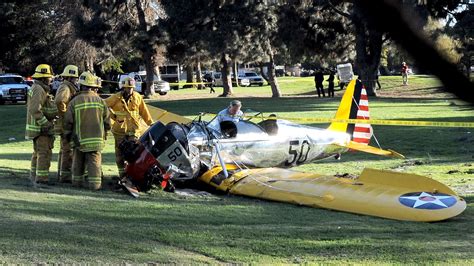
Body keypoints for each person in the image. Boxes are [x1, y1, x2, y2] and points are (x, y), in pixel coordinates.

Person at [64, 71, 110, 190]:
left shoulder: (74, 101)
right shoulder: (101, 101)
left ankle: (76, 183)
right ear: (93, 86)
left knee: (78, 160)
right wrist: (105, 132)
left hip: (79, 139)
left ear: (81, 86)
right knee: (94, 162)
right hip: (96, 139)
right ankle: (95, 186)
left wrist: (68, 134)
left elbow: (68, 121)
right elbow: (107, 121)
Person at [105, 77, 153, 178]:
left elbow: (144, 111)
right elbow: (104, 105)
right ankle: (122, 174)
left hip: (134, 130)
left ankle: (132, 173)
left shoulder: (137, 97)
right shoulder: (116, 97)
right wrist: (112, 116)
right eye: (128, 88)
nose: (130, 90)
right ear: (123, 87)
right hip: (119, 131)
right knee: (119, 154)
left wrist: (150, 123)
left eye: (131, 88)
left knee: (134, 153)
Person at [25, 64, 58, 185]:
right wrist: (46, 124)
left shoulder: (38, 88)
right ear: (44, 78)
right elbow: (35, 109)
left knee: (38, 154)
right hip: (41, 129)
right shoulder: (39, 89)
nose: (51, 79)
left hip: (38, 128)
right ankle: (42, 180)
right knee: (44, 154)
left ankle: (34, 177)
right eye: (49, 77)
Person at [54, 65, 79, 183]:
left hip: (66, 124)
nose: (76, 80)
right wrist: (66, 115)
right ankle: (65, 177)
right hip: (66, 124)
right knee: (67, 150)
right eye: (74, 77)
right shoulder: (65, 88)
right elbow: (59, 101)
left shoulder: (69, 87)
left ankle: (63, 174)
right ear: (70, 77)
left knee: (65, 150)